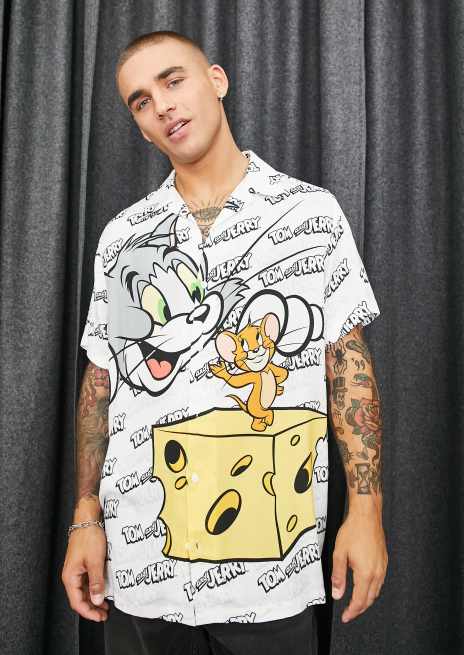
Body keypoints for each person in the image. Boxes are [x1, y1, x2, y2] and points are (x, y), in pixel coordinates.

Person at [61, 29, 388, 655]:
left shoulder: (309, 214)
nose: (161, 105)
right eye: (140, 101)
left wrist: (366, 509)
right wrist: (85, 516)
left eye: (173, 81)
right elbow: (103, 382)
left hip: (270, 571)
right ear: (141, 129)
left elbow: (347, 366)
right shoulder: (124, 237)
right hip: (141, 566)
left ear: (216, 81)